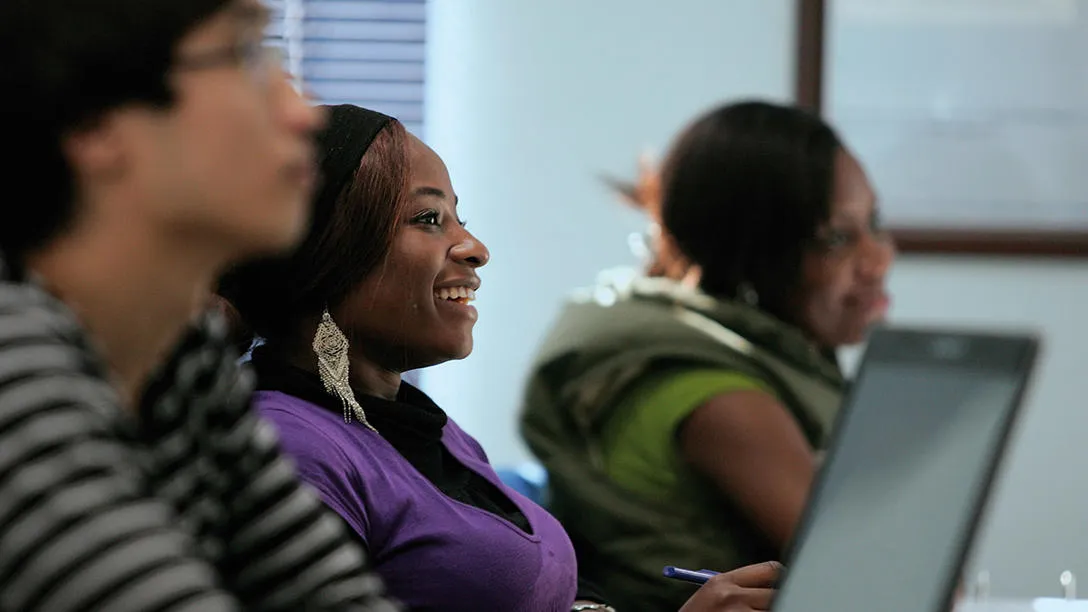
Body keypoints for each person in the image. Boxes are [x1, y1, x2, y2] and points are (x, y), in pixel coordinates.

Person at [219, 102, 786, 612]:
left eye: (459, 218)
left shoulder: (429, 432)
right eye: (426, 219)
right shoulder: (292, 450)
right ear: (327, 253)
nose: (475, 248)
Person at [0, 0, 400, 609]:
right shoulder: (12, 364)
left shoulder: (180, 361)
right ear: (95, 122)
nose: (302, 114)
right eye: (243, 55)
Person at [520, 100, 896, 611]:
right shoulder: (715, 395)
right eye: (837, 238)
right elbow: (887, 581)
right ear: (755, 251)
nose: (878, 259)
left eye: (873, 223)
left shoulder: (690, 331)